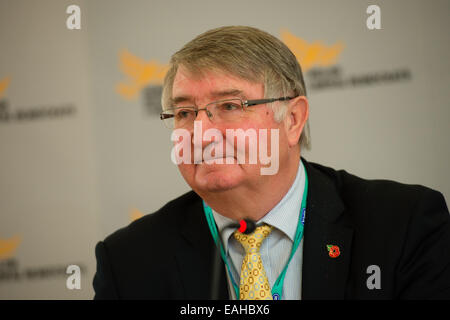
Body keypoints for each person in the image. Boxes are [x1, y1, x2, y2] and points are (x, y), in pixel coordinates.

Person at [93, 26, 450, 300]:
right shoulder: (128, 261)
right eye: (185, 112)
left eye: (230, 106)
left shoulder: (403, 225)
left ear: (293, 119)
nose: (200, 134)